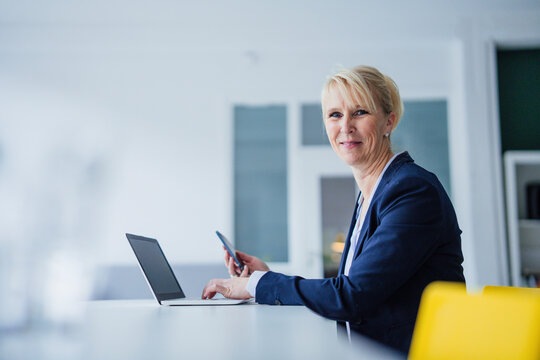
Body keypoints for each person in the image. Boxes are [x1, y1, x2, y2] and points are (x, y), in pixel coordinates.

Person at [202, 65, 465, 354]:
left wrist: (258, 285)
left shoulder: (412, 190)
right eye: (335, 115)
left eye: (360, 112)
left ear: (389, 122)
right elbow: (352, 287)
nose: (345, 127)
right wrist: (266, 276)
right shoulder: (371, 196)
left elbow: (353, 296)